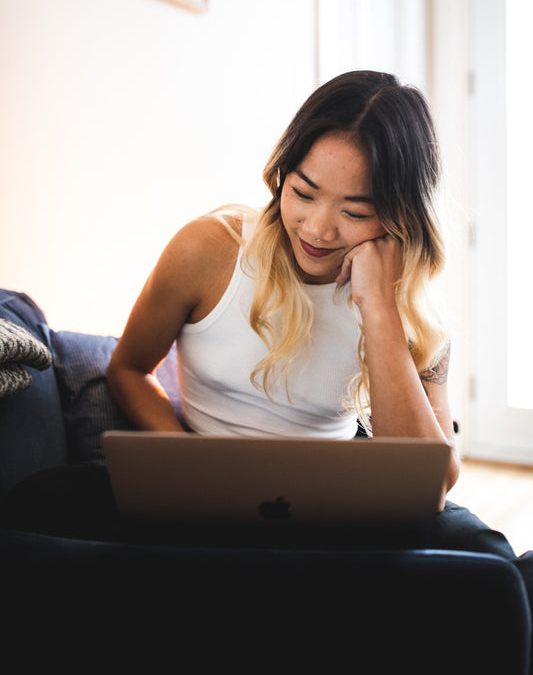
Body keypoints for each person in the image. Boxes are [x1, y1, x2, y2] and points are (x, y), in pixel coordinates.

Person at [106, 69, 460, 502]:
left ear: (401, 216)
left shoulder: (409, 305)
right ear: (282, 175)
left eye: (355, 212)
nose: (316, 230)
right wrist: (187, 460)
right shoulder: (210, 249)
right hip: (205, 492)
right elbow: (128, 369)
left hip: (336, 504)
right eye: (304, 193)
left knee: (488, 558)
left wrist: (380, 308)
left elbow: (432, 486)